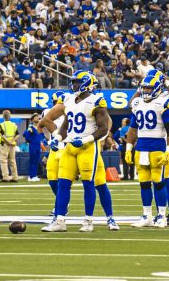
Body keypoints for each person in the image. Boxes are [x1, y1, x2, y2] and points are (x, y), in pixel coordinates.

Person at [38, 71, 113, 232]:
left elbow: (104, 128)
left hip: (87, 147)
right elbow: (66, 126)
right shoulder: (70, 99)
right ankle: (60, 220)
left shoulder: (97, 100)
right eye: (74, 82)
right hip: (70, 147)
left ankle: (88, 221)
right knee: (63, 184)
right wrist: (56, 139)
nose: (74, 85)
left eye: (78, 82)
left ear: (87, 83)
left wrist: (85, 140)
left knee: (88, 184)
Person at [125, 70, 169, 228]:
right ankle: (147, 215)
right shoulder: (138, 103)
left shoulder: (165, 100)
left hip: (161, 143)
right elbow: (133, 124)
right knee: (144, 182)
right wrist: (129, 147)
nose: (146, 90)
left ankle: (167, 215)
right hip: (143, 146)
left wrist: (167, 83)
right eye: (144, 88)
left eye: (149, 88)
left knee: (163, 181)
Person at [0, 110, 20, 182]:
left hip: (4, 144)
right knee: (12, 160)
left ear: (3, 116)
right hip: (12, 145)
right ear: (10, 116)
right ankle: (15, 177)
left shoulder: (2, 125)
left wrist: (8, 142)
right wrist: (12, 141)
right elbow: (18, 135)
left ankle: (6, 177)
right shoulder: (14, 125)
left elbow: (2, 135)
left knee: (3, 160)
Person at [23, 115, 43, 182]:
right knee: (32, 162)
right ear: (32, 120)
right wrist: (31, 141)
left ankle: (34, 175)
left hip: (38, 146)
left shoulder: (39, 128)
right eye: (35, 117)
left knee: (36, 161)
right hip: (33, 146)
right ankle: (31, 176)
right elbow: (26, 136)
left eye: (37, 117)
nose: (37, 118)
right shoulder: (30, 128)